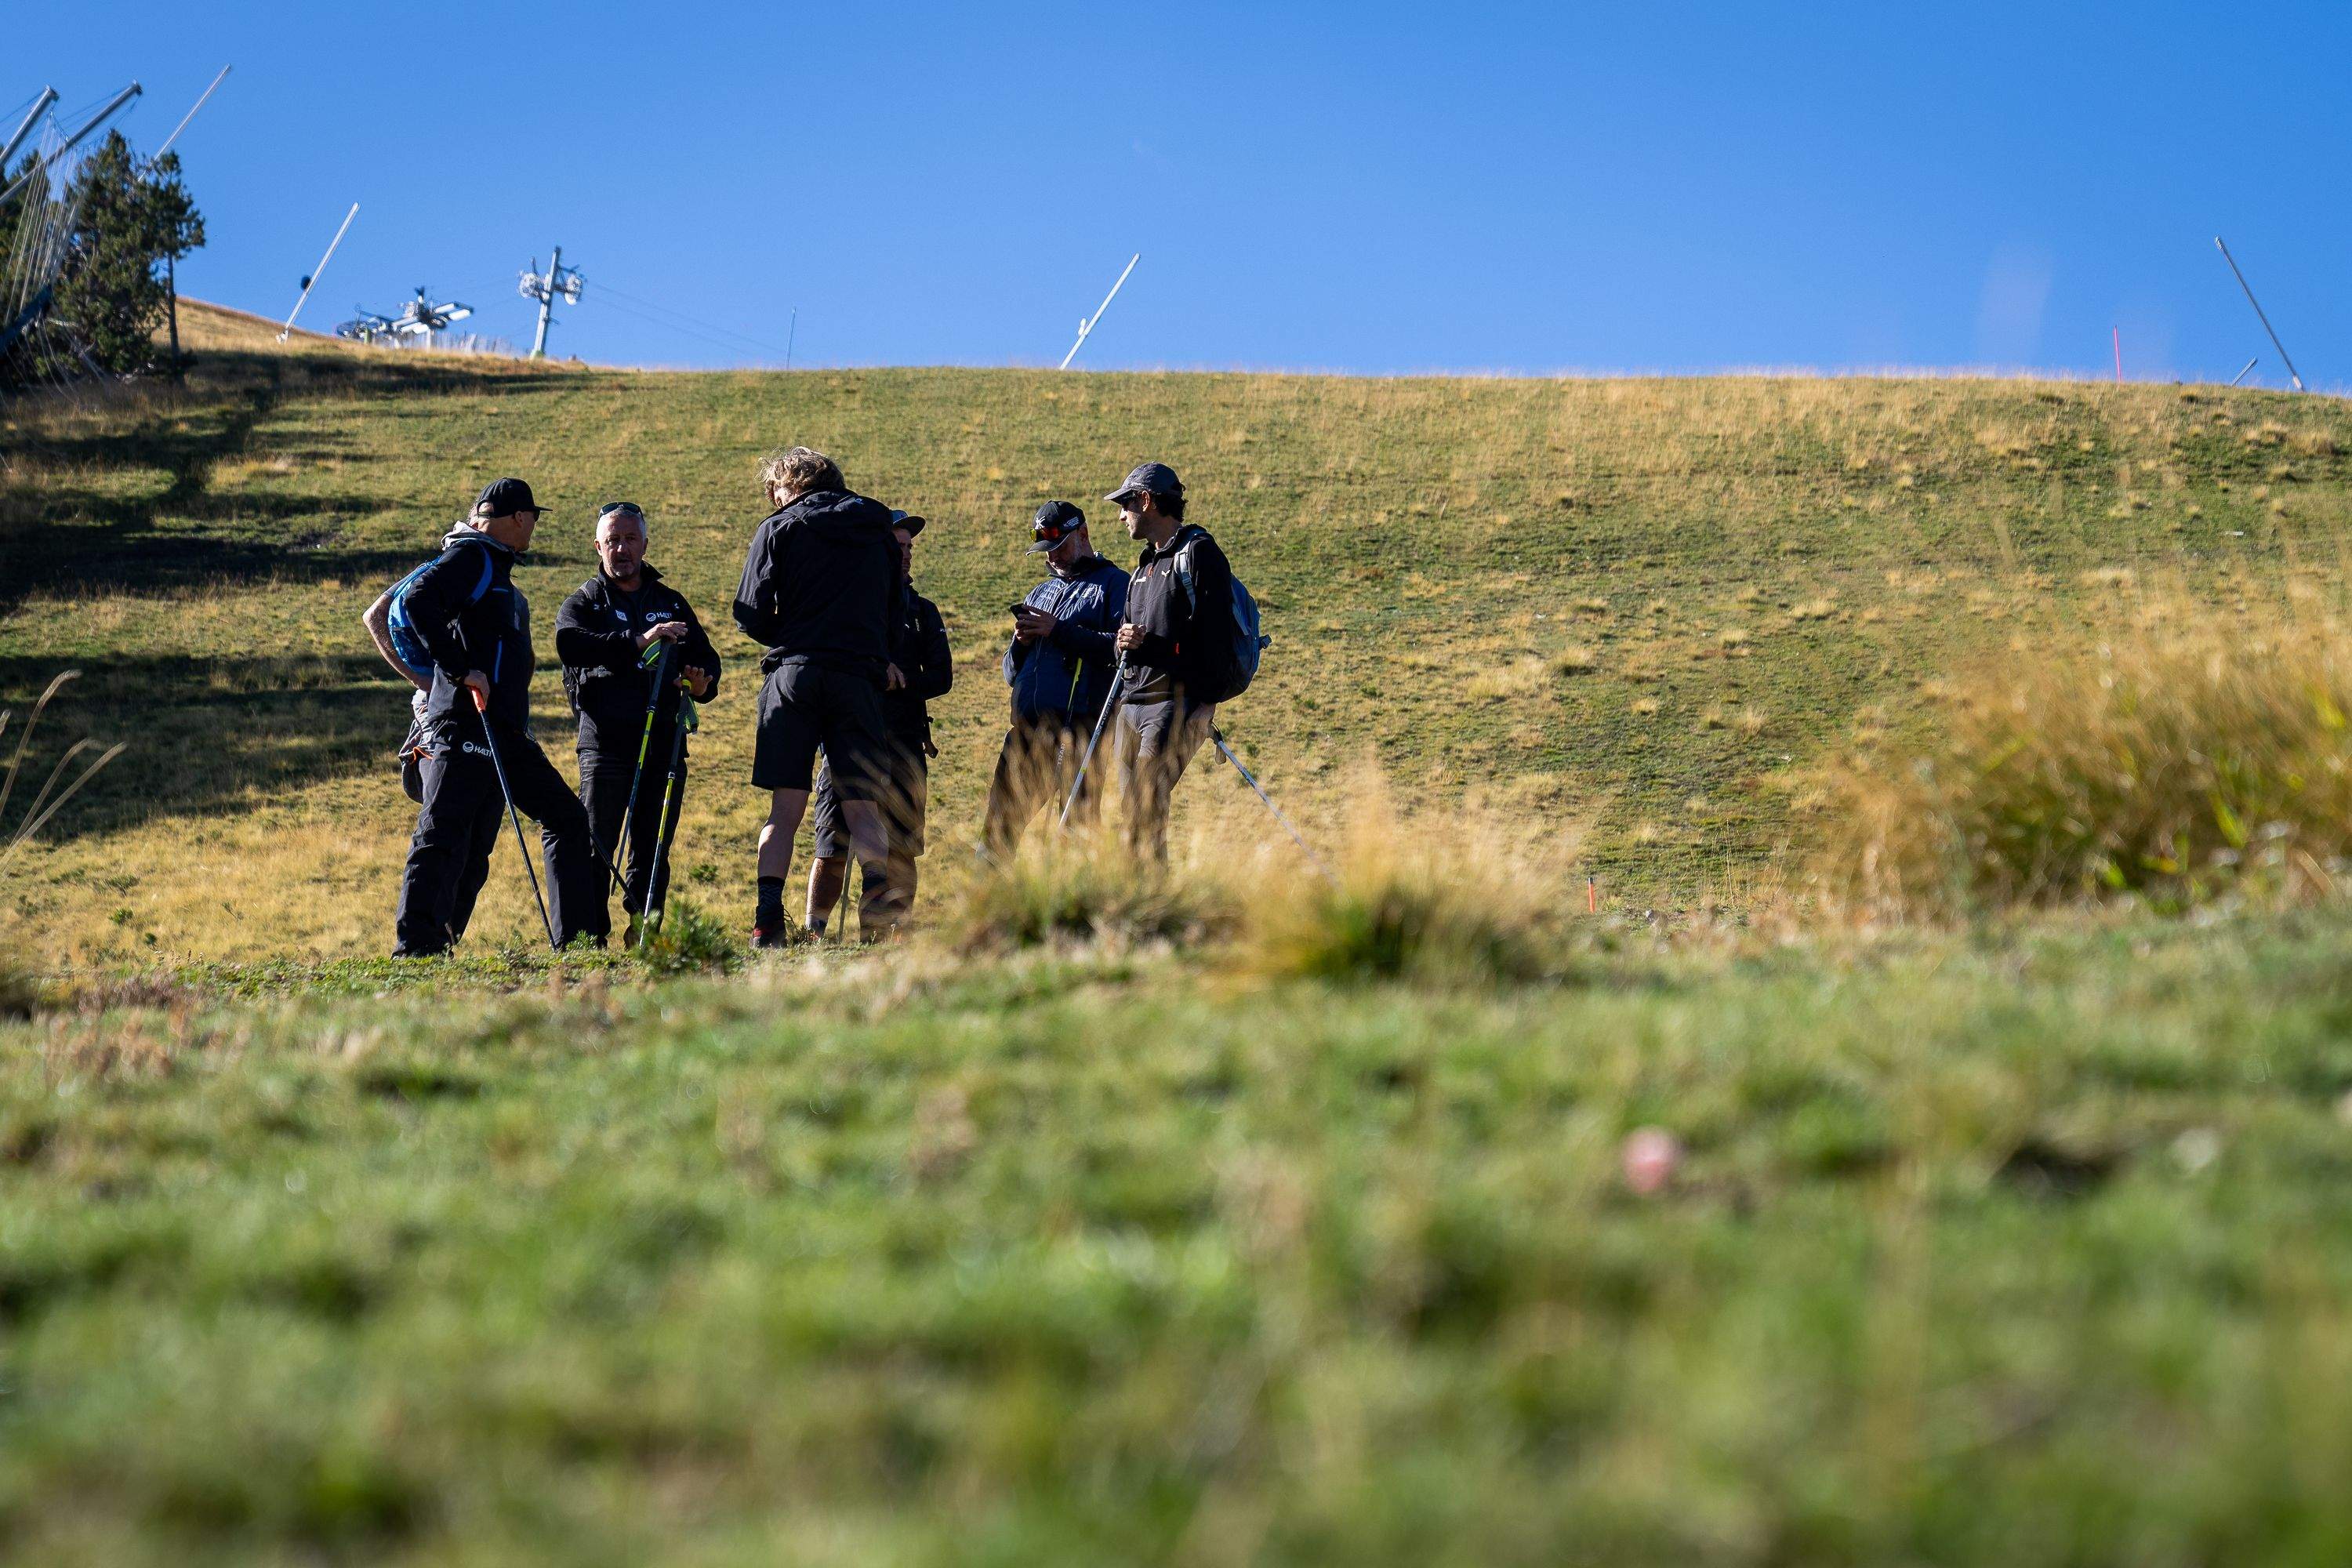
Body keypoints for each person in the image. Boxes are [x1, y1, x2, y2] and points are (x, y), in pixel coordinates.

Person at [391, 478, 608, 955]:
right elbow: (414, 600)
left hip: (505, 732)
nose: (533, 528)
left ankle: (578, 945)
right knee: (444, 831)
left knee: (563, 818)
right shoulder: (473, 558)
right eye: (531, 518)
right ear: (516, 518)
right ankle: (415, 949)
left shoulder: (491, 566)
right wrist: (461, 668)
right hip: (466, 724)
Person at [732, 445, 902, 947]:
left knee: (784, 809)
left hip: (796, 674)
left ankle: (767, 923)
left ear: (792, 482)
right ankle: (877, 919)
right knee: (864, 808)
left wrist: (794, 632)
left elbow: (749, 610)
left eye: (775, 489)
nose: (772, 499)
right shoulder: (877, 529)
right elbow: (895, 610)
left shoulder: (779, 527)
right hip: (858, 677)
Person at [554, 502, 720, 940]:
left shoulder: (670, 601)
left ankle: (644, 928)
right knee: (597, 843)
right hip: (605, 745)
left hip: (664, 744)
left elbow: (707, 662)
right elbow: (569, 645)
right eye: (612, 540)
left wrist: (702, 684)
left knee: (654, 845)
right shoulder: (585, 602)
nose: (622, 548)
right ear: (598, 547)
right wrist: (638, 641)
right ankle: (591, 935)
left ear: (645, 544)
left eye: (630, 539)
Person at [805, 510, 951, 937]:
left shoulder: (923, 611)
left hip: (905, 744)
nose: (906, 555)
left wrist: (901, 683)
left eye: (909, 547)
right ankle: (815, 932)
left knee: (902, 850)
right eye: (897, 546)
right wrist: (873, 669)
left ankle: (892, 933)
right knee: (832, 847)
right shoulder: (847, 606)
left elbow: (941, 678)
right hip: (845, 742)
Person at [981, 500, 1128, 853]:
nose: (1053, 558)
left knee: (1075, 835)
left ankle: (1074, 905)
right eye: (1045, 551)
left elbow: (1123, 653)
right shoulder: (1039, 593)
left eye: (1059, 547)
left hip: (1080, 733)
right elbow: (1009, 672)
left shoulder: (1115, 584)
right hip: (1025, 733)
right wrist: (1020, 643)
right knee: (997, 831)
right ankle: (989, 905)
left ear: (1083, 534)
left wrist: (1057, 630)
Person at [1107, 461, 1233, 860]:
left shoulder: (1198, 554)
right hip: (1130, 707)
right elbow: (1125, 645)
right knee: (1133, 817)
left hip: (1171, 707)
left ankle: (1154, 912)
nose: (1120, 514)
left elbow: (1217, 641)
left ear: (1147, 501)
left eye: (1126, 504)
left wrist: (1207, 705)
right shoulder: (1144, 565)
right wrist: (1122, 642)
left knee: (1144, 812)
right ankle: (1142, 908)